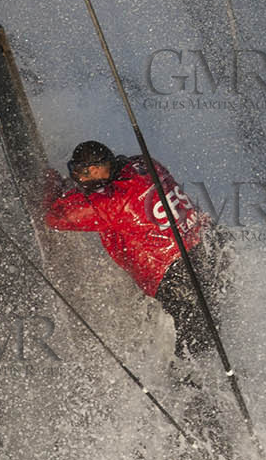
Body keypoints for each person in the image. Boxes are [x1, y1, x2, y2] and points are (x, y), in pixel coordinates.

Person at [43, 140, 230, 361]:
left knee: (194, 359)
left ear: (95, 170)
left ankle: (198, 390)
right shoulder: (144, 164)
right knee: (218, 331)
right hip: (213, 247)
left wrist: (48, 181)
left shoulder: (111, 201)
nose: (77, 179)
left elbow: (55, 217)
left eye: (80, 173)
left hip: (179, 277)